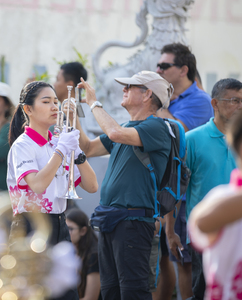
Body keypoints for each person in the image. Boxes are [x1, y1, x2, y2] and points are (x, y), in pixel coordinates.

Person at [77, 71, 173, 299]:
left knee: (132, 292)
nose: (124, 89)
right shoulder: (126, 127)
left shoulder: (156, 127)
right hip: (112, 220)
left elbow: (114, 133)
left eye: (129, 87)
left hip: (133, 222)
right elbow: (88, 148)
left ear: (148, 94)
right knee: (110, 291)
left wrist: (93, 103)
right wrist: (74, 119)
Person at [7, 81, 98, 299]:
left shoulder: (57, 142)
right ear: (27, 109)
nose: (54, 107)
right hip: (31, 226)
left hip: (59, 223)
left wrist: (77, 152)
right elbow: (38, 185)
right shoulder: (23, 145)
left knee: (67, 293)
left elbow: (92, 186)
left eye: (55, 101)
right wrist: (61, 151)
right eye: (46, 102)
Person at [155, 43, 213, 299]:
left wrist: (155, 104)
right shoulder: (172, 99)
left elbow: (178, 132)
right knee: (168, 260)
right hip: (167, 192)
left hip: (188, 195)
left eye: (164, 66)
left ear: (184, 70)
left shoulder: (200, 100)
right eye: (158, 65)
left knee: (187, 264)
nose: (158, 69)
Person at [183, 78, 242, 299]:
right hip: (209, 234)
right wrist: (170, 230)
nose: (240, 106)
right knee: (203, 289)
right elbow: (176, 186)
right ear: (214, 104)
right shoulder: (192, 140)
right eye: (234, 100)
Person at [66, 209, 101, 300]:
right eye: (65, 228)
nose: (66, 232)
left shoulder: (94, 255)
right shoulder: (69, 252)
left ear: (83, 231)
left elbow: (91, 298)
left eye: (70, 229)